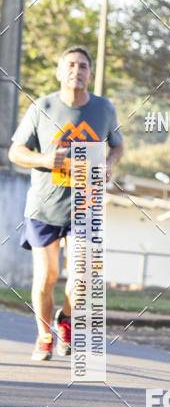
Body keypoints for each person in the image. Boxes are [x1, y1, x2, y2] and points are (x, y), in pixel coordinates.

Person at [9, 46, 123, 361]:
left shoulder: (104, 109)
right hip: (45, 208)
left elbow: (118, 145)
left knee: (82, 278)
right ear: (60, 72)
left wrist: (111, 163)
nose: (77, 70)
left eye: (83, 66)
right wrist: (45, 159)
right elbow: (15, 152)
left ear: (90, 73)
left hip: (85, 206)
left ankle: (67, 320)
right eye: (70, 65)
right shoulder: (41, 107)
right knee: (46, 276)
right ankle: (44, 335)